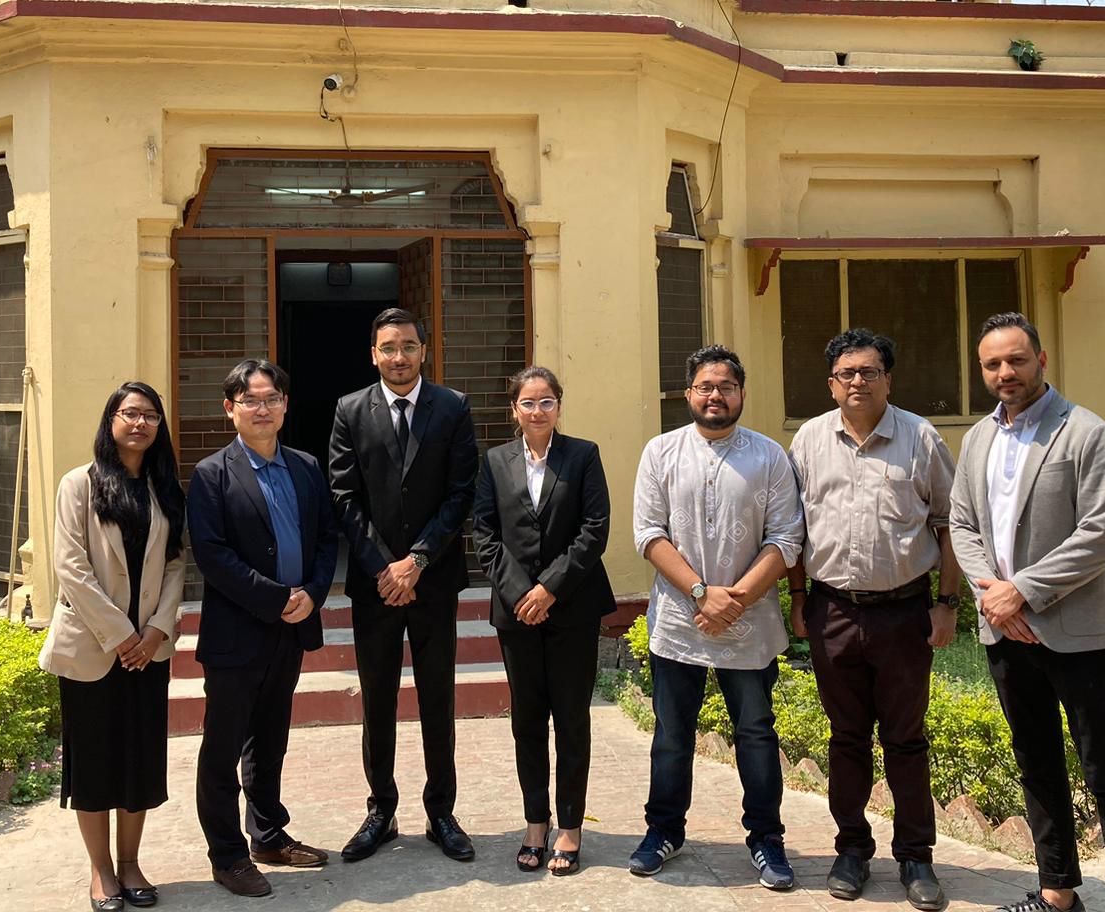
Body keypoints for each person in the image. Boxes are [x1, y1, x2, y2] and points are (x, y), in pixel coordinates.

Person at [948, 313, 1105, 912]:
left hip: (1075, 632)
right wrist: (993, 595)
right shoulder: (978, 439)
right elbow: (962, 523)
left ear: (1041, 360)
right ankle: (1057, 893)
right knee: (1037, 764)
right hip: (1004, 630)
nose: (1005, 372)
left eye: (1016, 360)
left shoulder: (1086, 432)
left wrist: (1024, 591)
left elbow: (1100, 534)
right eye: (992, 364)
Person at [786, 328, 961, 911]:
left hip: (904, 613)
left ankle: (916, 857)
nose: (857, 381)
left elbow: (949, 524)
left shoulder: (921, 438)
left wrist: (946, 603)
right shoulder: (810, 440)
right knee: (847, 738)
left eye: (869, 371)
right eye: (846, 373)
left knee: (906, 739)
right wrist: (798, 598)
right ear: (831, 384)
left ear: (889, 379)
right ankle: (852, 850)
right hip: (832, 610)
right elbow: (793, 530)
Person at [630, 345, 804, 893]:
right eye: (705, 386)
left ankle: (766, 838)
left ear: (741, 393)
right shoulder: (661, 452)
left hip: (749, 624)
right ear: (688, 393)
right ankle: (663, 830)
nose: (715, 396)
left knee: (755, 733)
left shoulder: (769, 456)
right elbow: (648, 534)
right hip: (679, 621)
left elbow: (787, 538)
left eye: (726, 386)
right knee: (671, 734)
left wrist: (737, 600)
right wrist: (703, 595)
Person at [328, 307, 480, 864]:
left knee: (438, 696)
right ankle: (381, 810)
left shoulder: (453, 407)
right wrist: (384, 569)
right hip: (376, 586)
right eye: (388, 348)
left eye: (409, 346)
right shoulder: (350, 410)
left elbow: (461, 493)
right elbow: (343, 497)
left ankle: (441, 811)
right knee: (378, 699)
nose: (399, 357)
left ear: (424, 351)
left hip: (433, 580)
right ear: (374, 354)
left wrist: (417, 560)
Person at [187, 360, 340, 899]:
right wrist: (276, 599)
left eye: (271, 398)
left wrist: (312, 594)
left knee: (270, 740)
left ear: (285, 405)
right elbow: (212, 555)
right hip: (238, 632)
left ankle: (269, 837)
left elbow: (326, 539)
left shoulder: (306, 466)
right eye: (250, 400)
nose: (262, 408)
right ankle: (227, 856)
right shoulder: (211, 474)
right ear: (229, 408)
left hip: (291, 628)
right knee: (223, 747)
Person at [38, 381, 187, 912]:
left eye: (150, 415)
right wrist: (122, 635)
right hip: (93, 649)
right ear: (111, 421)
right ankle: (101, 871)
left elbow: (175, 564)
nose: (140, 423)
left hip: (148, 649)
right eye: (130, 413)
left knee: (139, 761)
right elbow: (70, 567)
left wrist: (157, 631)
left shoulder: (164, 488)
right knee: (95, 764)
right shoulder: (78, 484)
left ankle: (130, 864)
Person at [472, 366, 616, 875]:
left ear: (559, 406)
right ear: (514, 409)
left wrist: (549, 588)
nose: (538, 411)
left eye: (547, 401)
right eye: (528, 403)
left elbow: (594, 529)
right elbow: (485, 534)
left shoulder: (583, 455)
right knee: (527, 721)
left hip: (572, 608)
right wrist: (520, 593)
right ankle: (536, 823)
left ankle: (570, 827)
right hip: (517, 614)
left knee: (572, 719)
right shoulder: (495, 461)